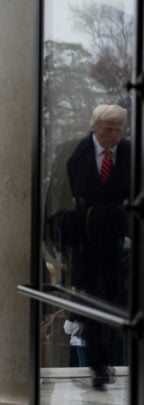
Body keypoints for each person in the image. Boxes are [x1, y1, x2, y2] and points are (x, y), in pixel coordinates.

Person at [63, 104, 130, 390]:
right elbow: (61, 195)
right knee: (92, 302)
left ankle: (111, 360)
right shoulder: (74, 154)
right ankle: (98, 365)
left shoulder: (130, 154)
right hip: (85, 243)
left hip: (119, 244)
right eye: (108, 129)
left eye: (118, 130)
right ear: (94, 127)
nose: (114, 135)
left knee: (115, 301)